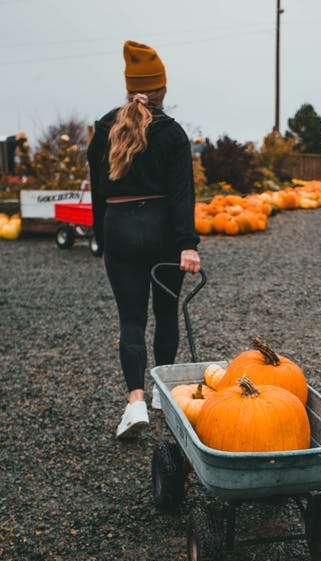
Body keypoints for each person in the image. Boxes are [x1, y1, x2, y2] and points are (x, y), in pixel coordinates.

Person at [87, 40, 201, 440]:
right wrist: (188, 243)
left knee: (131, 319)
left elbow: (97, 192)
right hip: (163, 230)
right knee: (166, 313)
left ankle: (135, 403)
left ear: (128, 87)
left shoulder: (105, 128)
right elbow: (183, 192)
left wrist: (103, 242)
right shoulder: (172, 133)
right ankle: (161, 393)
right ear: (162, 90)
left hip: (120, 228)